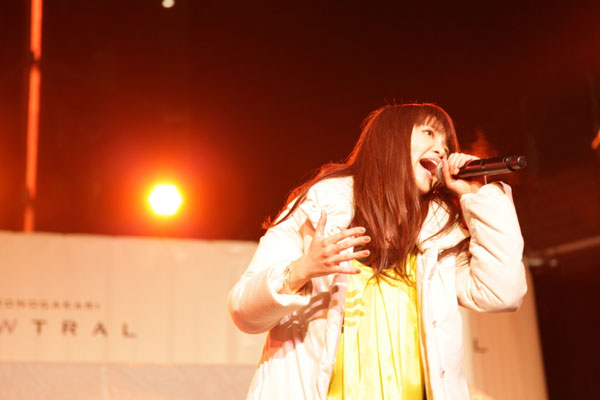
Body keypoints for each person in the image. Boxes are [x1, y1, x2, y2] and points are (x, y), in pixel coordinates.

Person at [228, 103, 527, 399]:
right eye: (429, 133)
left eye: (447, 145)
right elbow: (244, 312)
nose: (442, 150)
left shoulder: (440, 239)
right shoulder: (318, 210)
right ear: (391, 137)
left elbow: (503, 294)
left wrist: (479, 196)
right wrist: (301, 270)